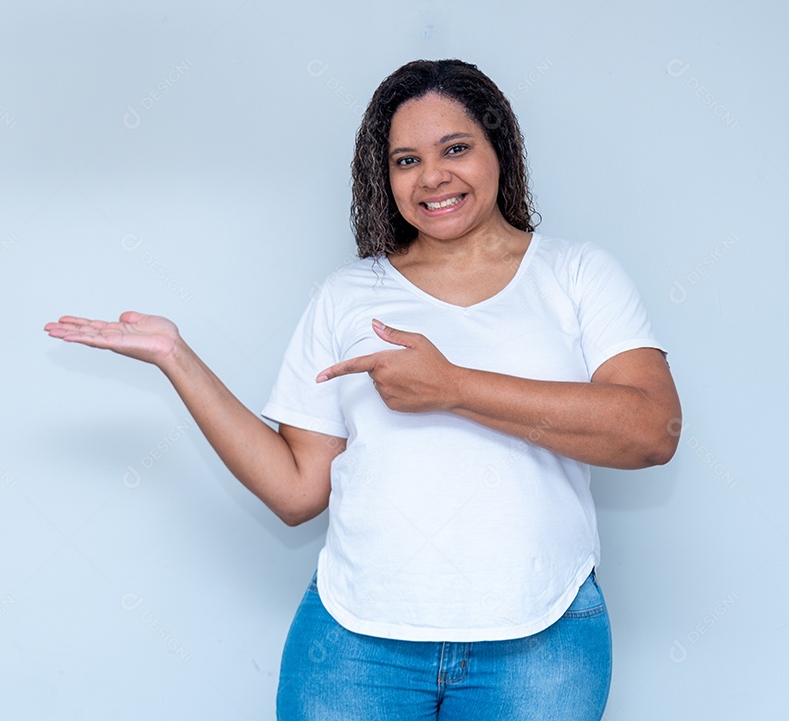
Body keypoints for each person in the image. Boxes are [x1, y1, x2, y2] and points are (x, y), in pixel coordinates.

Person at [45, 59, 681, 720]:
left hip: (542, 639)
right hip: (355, 645)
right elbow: (296, 491)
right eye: (406, 160)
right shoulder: (347, 296)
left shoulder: (578, 275)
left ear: (502, 150)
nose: (433, 176)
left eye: (456, 148)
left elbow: (650, 431)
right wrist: (177, 357)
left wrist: (454, 387)